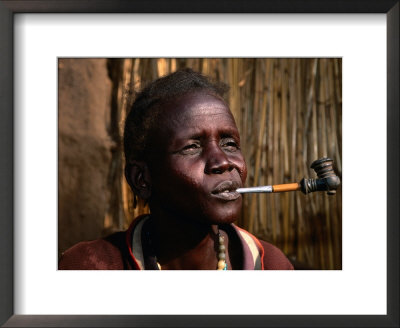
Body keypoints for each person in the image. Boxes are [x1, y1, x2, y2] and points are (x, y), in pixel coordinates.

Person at [59, 68, 293, 270]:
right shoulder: (89, 268)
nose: (222, 162)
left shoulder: (272, 267)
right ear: (142, 178)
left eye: (229, 144)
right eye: (192, 147)